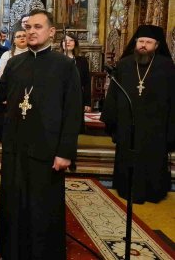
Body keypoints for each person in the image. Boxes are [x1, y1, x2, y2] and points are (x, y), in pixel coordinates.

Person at [0, 9, 82, 260]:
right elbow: (0, 95)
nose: (31, 31)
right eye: (28, 27)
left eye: (38, 27)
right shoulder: (15, 62)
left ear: (51, 32)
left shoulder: (65, 65)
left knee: (43, 205)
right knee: (15, 200)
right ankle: (13, 250)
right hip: (16, 144)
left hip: (48, 146)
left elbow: (73, 112)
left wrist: (65, 152)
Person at [101, 25, 174, 204]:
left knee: (152, 159)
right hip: (128, 124)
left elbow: (173, 99)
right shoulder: (125, 64)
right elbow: (113, 95)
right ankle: (125, 188)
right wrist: (112, 120)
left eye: (148, 42)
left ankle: (152, 191)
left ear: (157, 45)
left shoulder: (167, 67)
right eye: (140, 41)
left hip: (155, 128)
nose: (143, 45)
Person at [61, 33, 91, 113]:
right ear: (62, 43)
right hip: (60, 98)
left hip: (77, 97)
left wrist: (87, 102)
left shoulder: (82, 61)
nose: (68, 42)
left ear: (75, 43)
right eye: (65, 40)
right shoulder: (56, 60)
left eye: (71, 40)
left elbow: (87, 82)